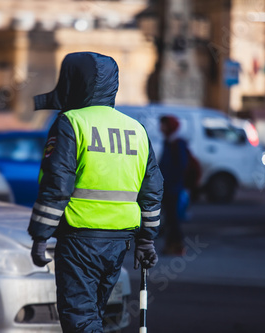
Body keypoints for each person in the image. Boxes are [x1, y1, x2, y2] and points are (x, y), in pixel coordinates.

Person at [27, 52, 164, 332]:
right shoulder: (135, 129)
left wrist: (40, 234)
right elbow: (153, 188)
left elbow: (57, 183)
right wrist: (146, 240)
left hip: (80, 239)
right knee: (93, 316)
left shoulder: (72, 122)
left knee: (80, 317)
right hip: (118, 243)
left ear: (74, 82)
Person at [159, 115, 188, 256]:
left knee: (173, 218)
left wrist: (172, 182)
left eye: (163, 125)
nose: (160, 127)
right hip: (167, 187)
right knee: (170, 218)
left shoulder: (177, 143)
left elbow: (181, 165)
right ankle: (171, 245)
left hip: (173, 188)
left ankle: (178, 245)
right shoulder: (168, 142)